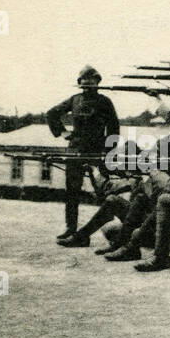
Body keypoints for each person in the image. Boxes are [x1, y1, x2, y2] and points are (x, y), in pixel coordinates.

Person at [47, 66, 120, 243]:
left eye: (91, 84)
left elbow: (114, 128)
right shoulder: (74, 100)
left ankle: (114, 229)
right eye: (84, 84)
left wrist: (108, 152)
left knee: (103, 190)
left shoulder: (104, 102)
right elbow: (51, 114)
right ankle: (70, 229)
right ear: (79, 84)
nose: (87, 87)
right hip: (76, 150)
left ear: (98, 83)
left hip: (97, 151)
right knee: (72, 192)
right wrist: (62, 133)